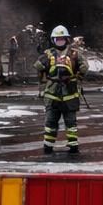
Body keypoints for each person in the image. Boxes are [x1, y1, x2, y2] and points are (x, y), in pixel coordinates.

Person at [37, 25, 87, 156]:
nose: (60, 42)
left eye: (62, 39)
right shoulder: (48, 54)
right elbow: (38, 66)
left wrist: (77, 78)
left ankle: (73, 146)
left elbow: (84, 67)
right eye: (57, 40)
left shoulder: (75, 53)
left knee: (71, 122)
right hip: (52, 94)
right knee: (50, 122)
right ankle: (48, 147)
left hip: (69, 93)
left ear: (67, 39)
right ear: (53, 40)